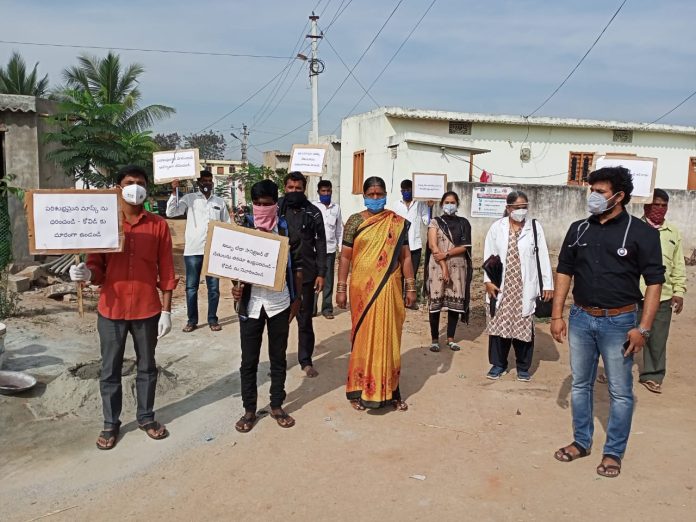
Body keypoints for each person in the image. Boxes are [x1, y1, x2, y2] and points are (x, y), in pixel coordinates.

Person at [551, 166, 664, 478]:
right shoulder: (578, 230)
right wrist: (558, 314)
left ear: (619, 196)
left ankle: (613, 452)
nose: (593, 197)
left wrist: (643, 328)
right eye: (592, 191)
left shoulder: (642, 234)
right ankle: (581, 441)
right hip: (581, 319)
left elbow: (654, 283)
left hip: (620, 323)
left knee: (620, 391)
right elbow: (564, 270)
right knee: (580, 384)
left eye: (600, 192)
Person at [69, 165, 178, 450]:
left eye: (141, 182)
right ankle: (110, 424)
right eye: (130, 182)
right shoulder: (103, 223)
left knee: (147, 367)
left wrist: (166, 310)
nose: (136, 187)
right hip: (111, 310)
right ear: (118, 187)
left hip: (147, 311)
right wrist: (86, 274)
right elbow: (97, 267)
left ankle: (146, 417)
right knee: (110, 369)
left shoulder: (158, 226)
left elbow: (167, 269)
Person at [336, 176, 416, 411]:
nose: (375, 198)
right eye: (370, 195)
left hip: (389, 287)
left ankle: (392, 391)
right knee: (363, 337)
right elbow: (345, 257)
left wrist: (411, 286)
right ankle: (357, 390)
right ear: (363, 196)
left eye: (379, 194)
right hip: (363, 290)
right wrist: (341, 288)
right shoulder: (354, 222)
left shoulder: (397, 222)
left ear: (385, 195)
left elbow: (406, 256)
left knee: (389, 337)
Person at [231, 180, 302, 433]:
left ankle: (277, 404)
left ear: (276, 203)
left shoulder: (284, 231)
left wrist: (296, 298)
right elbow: (233, 266)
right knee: (248, 360)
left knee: (278, 357)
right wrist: (236, 286)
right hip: (251, 305)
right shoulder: (243, 231)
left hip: (278, 303)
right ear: (253, 205)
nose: (262, 208)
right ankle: (249, 409)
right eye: (258, 204)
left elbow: (296, 267)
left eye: (268, 203)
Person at [483, 190, 553, 382]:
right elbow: (489, 257)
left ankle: (523, 367)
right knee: (499, 328)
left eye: (524, 207)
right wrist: (488, 281)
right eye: (517, 207)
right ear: (508, 208)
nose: (521, 211)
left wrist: (547, 284)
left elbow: (543, 257)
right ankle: (499, 364)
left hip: (524, 287)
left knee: (523, 329)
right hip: (501, 287)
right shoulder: (497, 227)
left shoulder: (534, 228)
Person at [166, 170, 231, 332]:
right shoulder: (189, 199)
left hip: (213, 251)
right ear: (198, 183)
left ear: (213, 183)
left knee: (214, 288)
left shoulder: (220, 202)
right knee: (191, 287)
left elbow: (227, 225)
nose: (207, 183)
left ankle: (212, 319)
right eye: (204, 181)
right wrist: (174, 192)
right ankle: (192, 320)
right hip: (193, 250)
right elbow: (171, 212)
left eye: (209, 181)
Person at [278, 171, 327, 378]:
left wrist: (321, 273)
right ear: (285, 188)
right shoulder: (277, 208)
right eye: (290, 188)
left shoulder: (313, 212)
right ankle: (278, 362)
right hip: (280, 273)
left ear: (304, 189)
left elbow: (321, 243)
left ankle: (305, 361)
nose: (294, 192)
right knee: (279, 319)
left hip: (306, 273)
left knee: (305, 319)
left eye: (298, 188)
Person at [638, 189, 685, 393]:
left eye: (663, 205)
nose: (659, 209)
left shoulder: (672, 232)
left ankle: (652, 375)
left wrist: (679, 291)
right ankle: (614, 370)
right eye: (655, 204)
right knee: (622, 335)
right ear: (646, 206)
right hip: (633, 294)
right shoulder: (634, 228)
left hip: (662, 295)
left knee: (657, 338)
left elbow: (678, 264)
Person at [425, 191, 473, 352]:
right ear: (441, 204)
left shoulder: (464, 223)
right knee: (436, 302)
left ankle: (451, 338)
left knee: (455, 303)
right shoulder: (435, 222)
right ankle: (434, 339)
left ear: (457, 205)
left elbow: (464, 247)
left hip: (458, 266)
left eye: (453, 202)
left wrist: (446, 254)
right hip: (437, 266)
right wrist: (444, 266)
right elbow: (433, 246)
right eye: (447, 202)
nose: (450, 205)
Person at [392, 179, 432, 309]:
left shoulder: (419, 204)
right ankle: (398, 301)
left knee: (412, 274)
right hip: (399, 245)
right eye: (403, 190)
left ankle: (409, 300)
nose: (406, 193)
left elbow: (426, 221)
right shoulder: (396, 205)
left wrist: (430, 207)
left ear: (413, 191)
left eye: (408, 190)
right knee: (399, 274)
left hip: (415, 245)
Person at [313, 179, 344, 320]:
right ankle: (311, 308)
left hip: (330, 250)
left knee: (328, 280)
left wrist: (340, 248)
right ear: (318, 192)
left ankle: (327, 308)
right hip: (314, 250)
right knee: (314, 279)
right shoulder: (313, 206)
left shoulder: (336, 208)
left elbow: (339, 230)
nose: (326, 193)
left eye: (328, 191)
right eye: (323, 191)